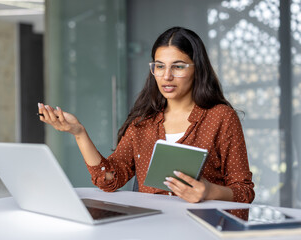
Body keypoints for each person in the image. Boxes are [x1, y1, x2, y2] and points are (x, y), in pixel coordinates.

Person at [38, 26, 255, 204]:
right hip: (150, 226)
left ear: (196, 69)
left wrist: (209, 191)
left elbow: (244, 192)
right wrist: (79, 133)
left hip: (201, 226)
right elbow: (109, 180)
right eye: (159, 66)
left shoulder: (221, 117)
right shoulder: (143, 122)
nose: (167, 76)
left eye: (178, 67)